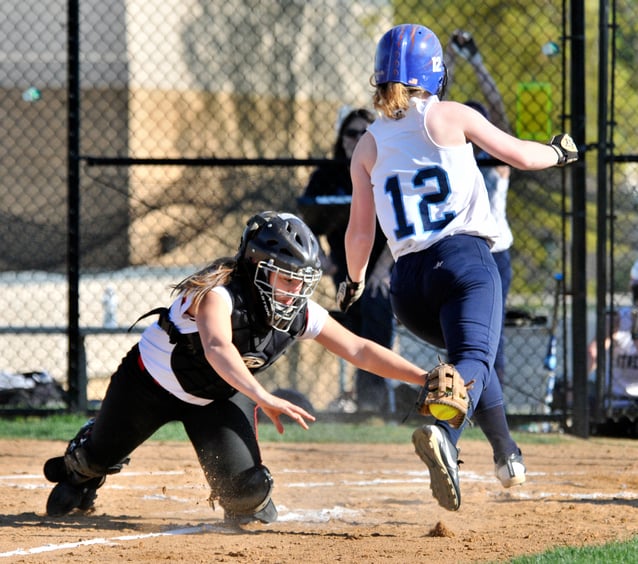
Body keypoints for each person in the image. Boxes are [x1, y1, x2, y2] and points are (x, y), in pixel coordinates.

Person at [42, 211, 433, 523]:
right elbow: (216, 347)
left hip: (217, 398)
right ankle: (84, 464)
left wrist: (423, 377)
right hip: (149, 386)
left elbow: (359, 349)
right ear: (256, 267)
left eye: (300, 282)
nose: (293, 292)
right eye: (285, 279)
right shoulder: (218, 295)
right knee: (93, 461)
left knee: (248, 495)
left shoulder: (298, 313)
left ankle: (238, 492)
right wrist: (263, 396)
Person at [338, 23, 578, 511]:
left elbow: (360, 233)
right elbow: (518, 155)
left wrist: (355, 279)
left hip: (407, 286)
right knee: (474, 359)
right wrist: (558, 151)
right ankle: (443, 431)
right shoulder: (449, 115)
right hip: (463, 262)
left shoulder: (367, 144)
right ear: (435, 73)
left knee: (474, 360)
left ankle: (507, 454)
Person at [300, 108, 396, 412]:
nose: (356, 139)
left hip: (383, 268)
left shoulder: (387, 170)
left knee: (375, 315)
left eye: (364, 133)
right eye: (351, 133)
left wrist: (381, 271)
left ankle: (372, 405)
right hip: (346, 270)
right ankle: (360, 400)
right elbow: (305, 219)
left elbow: (399, 228)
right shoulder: (328, 175)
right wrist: (320, 259)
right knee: (352, 327)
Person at [446, 29, 514, 385]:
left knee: (491, 336)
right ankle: (457, 395)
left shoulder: (495, 157)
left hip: (494, 252)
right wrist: (450, 60)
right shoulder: (447, 156)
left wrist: (475, 61)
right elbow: (434, 106)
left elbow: (499, 111)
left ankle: (492, 404)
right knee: (454, 331)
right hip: (456, 249)